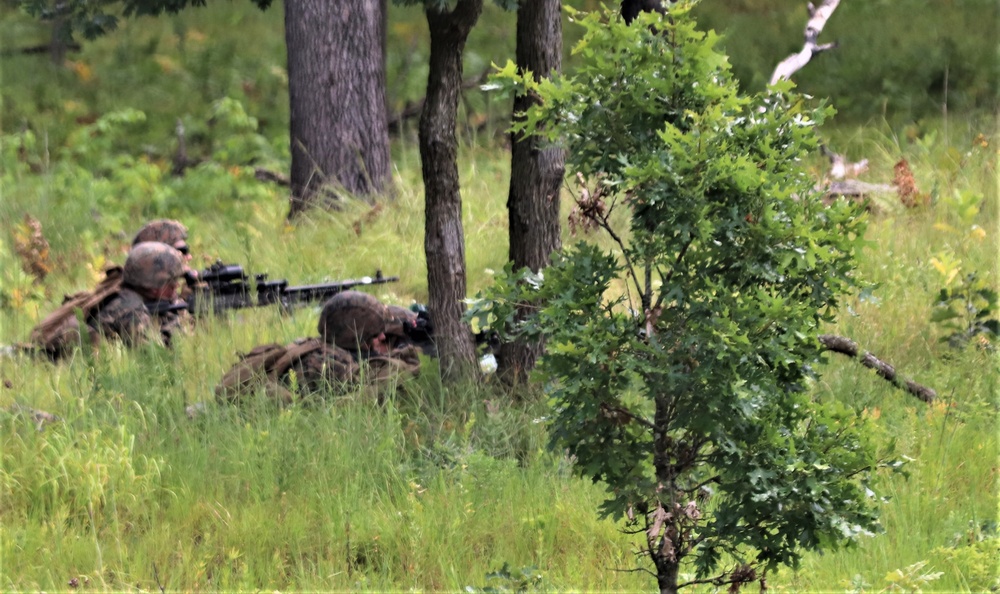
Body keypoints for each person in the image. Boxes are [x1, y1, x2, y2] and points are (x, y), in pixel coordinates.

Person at [215, 291, 420, 405]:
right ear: (356, 336)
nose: (382, 337)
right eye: (375, 335)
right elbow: (353, 405)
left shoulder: (311, 344)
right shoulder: (331, 363)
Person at [28, 242, 189, 359]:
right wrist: (179, 326)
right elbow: (152, 358)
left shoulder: (124, 292)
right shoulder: (130, 310)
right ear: (153, 284)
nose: (176, 286)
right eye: (172, 282)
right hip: (57, 364)